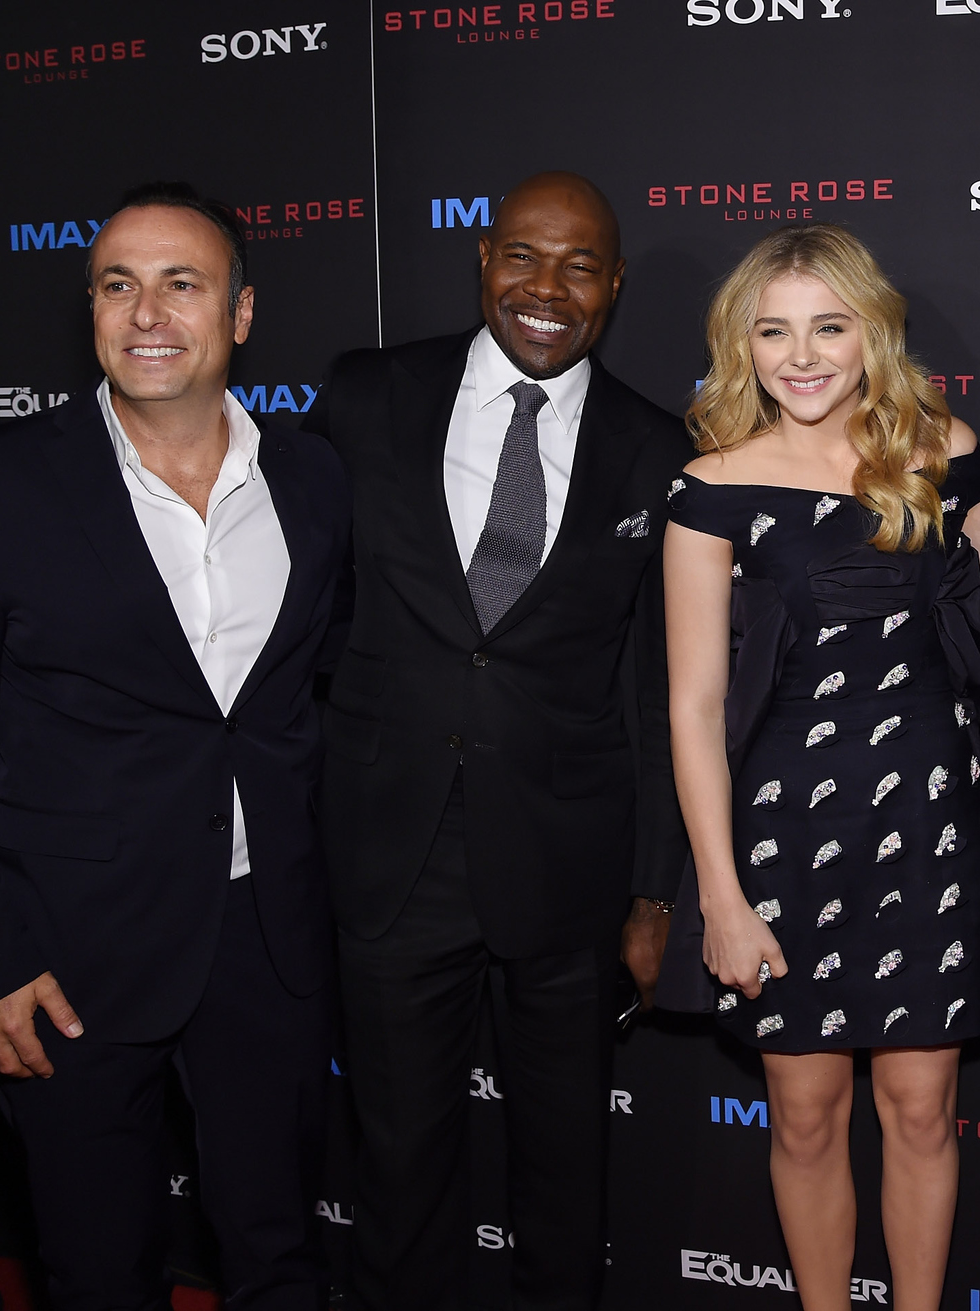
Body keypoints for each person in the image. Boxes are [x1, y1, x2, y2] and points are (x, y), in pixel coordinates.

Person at [0, 182, 349, 1309]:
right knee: (97, 1270)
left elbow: (306, 698)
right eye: (117, 285)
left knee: (277, 1253)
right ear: (89, 308)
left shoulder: (315, 480)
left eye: (181, 284)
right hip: (64, 954)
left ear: (238, 315)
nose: (147, 312)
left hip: (267, 938)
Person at [303, 171, 689, 1311]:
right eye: (524, 255)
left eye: (579, 266)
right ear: (482, 261)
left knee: (566, 1169)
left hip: (568, 868)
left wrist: (653, 892)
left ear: (612, 287)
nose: (546, 288)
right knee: (397, 1159)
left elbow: (658, 682)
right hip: (391, 851)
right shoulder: (368, 396)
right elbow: (300, 609)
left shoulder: (656, 448)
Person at [658, 223, 980, 1311]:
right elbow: (692, 703)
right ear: (741, 345)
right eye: (772, 331)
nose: (801, 355)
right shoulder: (711, 483)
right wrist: (720, 895)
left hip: (928, 829)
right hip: (785, 842)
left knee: (921, 1110)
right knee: (805, 1118)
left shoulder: (941, 448)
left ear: (872, 331)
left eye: (828, 325)